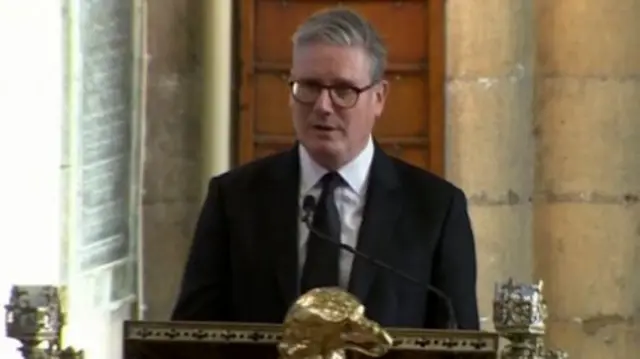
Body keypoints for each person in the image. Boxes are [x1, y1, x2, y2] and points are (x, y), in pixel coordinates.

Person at [172, 7, 479, 329]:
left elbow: (460, 341)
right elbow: (191, 333)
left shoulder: (436, 210)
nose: (322, 106)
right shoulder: (234, 199)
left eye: (343, 91)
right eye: (308, 87)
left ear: (379, 97)